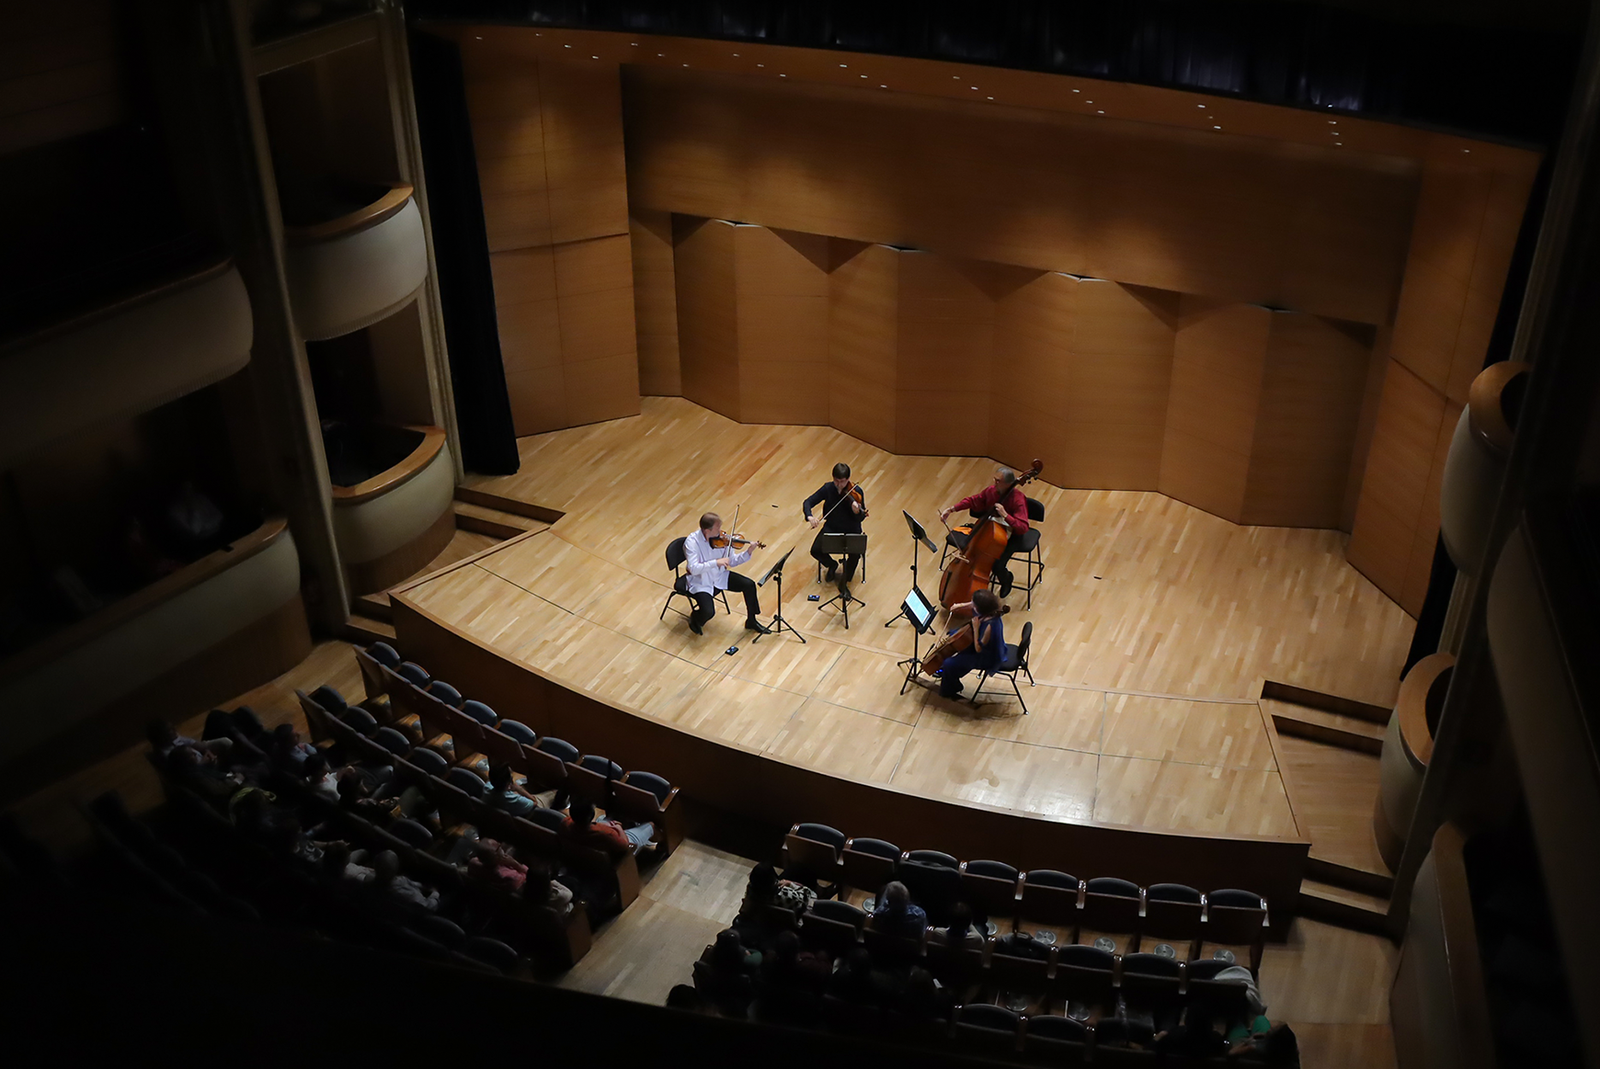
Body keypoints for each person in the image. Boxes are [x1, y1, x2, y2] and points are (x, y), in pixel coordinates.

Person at [939, 465, 1031, 597]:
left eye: (999, 481)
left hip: (1012, 535)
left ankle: (1007, 580)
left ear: (1009, 484)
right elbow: (973, 500)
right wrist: (951, 509)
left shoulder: (1018, 499)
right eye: (995, 479)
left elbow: (1023, 527)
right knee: (969, 547)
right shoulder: (991, 491)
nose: (995, 483)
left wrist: (1005, 515)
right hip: (990, 528)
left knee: (997, 565)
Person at [682, 511, 770, 635]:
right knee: (708, 612)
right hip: (701, 582)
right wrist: (716, 562)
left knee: (749, 585)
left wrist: (748, 551)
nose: (721, 531)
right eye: (718, 528)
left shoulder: (722, 540)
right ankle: (695, 618)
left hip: (719, 576)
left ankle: (751, 620)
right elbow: (693, 569)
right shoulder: (692, 543)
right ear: (707, 531)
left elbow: (732, 561)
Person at [935, 588, 1008, 698]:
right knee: (953, 634)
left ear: (980, 608)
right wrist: (960, 606)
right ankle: (948, 674)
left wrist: (976, 628)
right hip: (979, 645)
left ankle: (951, 688)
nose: (971, 604)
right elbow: (974, 604)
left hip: (986, 656)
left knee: (949, 663)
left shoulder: (990, 626)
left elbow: (979, 649)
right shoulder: (988, 610)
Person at [802, 462, 866, 588]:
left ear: (848, 479)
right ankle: (832, 565)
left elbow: (861, 517)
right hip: (832, 527)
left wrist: (857, 511)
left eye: (842, 481)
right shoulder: (828, 488)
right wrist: (810, 516)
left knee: (855, 554)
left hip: (851, 530)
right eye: (836, 481)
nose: (839, 484)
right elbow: (808, 502)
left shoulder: (856, 492)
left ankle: (843, 584)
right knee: (815, 550)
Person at [563, 801, 655, 857]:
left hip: (586, 853)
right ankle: (661, 849)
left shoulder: (565, 823)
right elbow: (625, 846)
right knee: (651, 825)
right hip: (618, 854)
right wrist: (618, 828)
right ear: (591, 814)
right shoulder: (607, 834)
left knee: (605, 818)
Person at [372, 849, 440, 912]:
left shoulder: (368, 881)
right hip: (421, 912)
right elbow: (428, 906)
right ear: (396, 868)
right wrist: (435, 893)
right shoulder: (406, 894)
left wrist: (423, 887)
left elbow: (408, 882)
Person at [487, 763, 557, 816]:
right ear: (508, 784)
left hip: (503, 810)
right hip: (532, 812)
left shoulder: (486, 788)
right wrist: (519, 789)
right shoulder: (516, 800)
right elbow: (534, 802)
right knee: (555, 792)